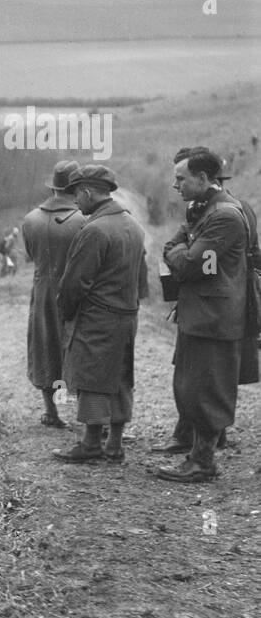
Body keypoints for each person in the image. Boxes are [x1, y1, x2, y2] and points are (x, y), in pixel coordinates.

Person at [151, 147, 261, 455]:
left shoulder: (224, 215)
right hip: (202, 310)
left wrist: (176, 250)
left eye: (181, 179)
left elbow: (191, 264)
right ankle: (194, 444)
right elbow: (185, 248)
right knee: (192, 381)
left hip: (215, 314)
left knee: (208, 387)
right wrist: (182, 248)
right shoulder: (203, 209)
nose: (176, 185)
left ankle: (203, 460)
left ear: (202, 178)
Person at [52, 164, 146, 464]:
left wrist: (65, 311)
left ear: (88, 192)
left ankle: (91, 443)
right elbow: (141, 279)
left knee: (91, 378)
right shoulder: (133, 225)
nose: (75, 201)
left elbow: (74, 283)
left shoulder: (94, 230)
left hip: (97, 318)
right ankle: (115, 445)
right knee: (121, 378)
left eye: (76, 194)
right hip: (127, 316)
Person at [21, 160, 84, 428]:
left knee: (45, 345)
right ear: (77, 188)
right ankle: (87, 415)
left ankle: (51, 412)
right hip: (76, 291)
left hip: (42, 290)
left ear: (54, 187)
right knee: (78, 346)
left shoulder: (30, 219)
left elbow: (30, 254)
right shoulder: (83, 220)